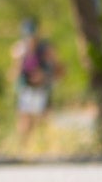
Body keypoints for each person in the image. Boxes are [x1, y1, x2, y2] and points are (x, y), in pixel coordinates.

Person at [10, 17, 63, 149]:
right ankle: (23, 148)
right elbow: (14, 73)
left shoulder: (46, 49)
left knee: (43, 119)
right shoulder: (19, 50)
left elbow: (59, 69)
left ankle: (44, 146)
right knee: (24, 120)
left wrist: (45, 76)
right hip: (26, 88)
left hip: (42, 88)